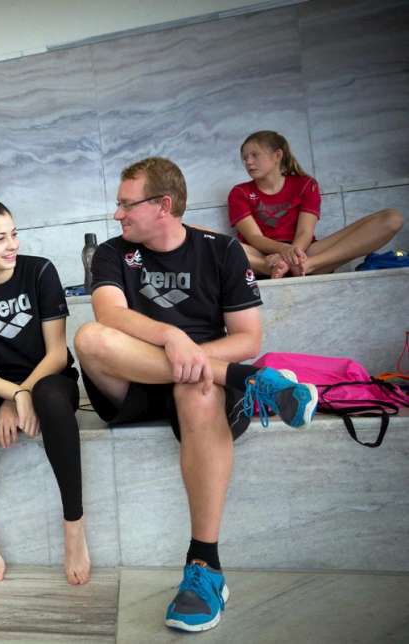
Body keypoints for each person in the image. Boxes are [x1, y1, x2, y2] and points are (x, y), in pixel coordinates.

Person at [74, 157, 319, 632]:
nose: (118, 214)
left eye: (127, 204)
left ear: (163, 205)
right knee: (88, 338)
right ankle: (248, 381)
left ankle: (204, 568)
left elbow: (248, 338)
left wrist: (193, 359)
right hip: (136, 381)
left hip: (201, 387)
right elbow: (109, 315)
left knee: (197, 389)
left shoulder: (221, 251)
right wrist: (171, 337)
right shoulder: (113, 253)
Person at [0, 200, 90, 586]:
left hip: (47, 377)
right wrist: (10, 396)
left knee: (52, 401)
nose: (12, 245)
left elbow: (57, 352)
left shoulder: (39, 270)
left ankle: (74, 526)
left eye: (13, 234)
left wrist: (22, 393)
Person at [229, 130, 403, 278]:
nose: (248, 162)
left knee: (392, 218)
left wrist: (294, 255)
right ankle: (271, 268)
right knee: (209, 240)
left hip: (306, 253)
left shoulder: (305, 184)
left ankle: (309, 266)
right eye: (244, 158)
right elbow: (255, 238)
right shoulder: (239, 192)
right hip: (261, 257)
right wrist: (283, 251)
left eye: (254, 155)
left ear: (277, 155)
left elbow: (305, 231)